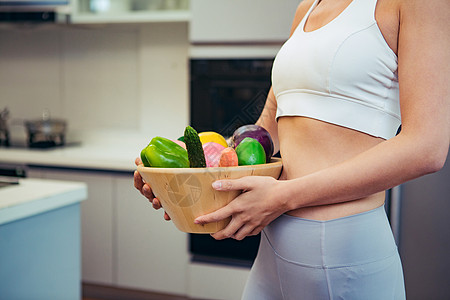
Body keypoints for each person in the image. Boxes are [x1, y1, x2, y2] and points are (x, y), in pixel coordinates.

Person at [134, 0, 450, 298]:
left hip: (343, 254)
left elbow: (426, 147)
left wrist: (284, 196)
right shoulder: (307, 9)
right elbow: (261, 135)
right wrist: (185, 172)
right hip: (274, 247)